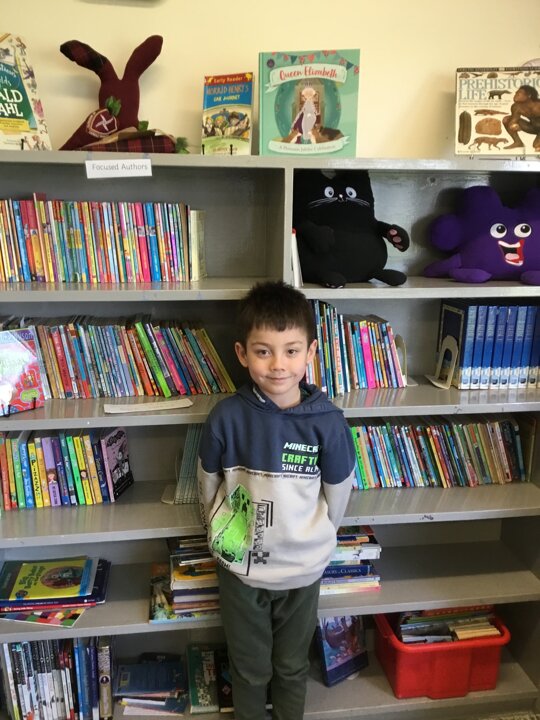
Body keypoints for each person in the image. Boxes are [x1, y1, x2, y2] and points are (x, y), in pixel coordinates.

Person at [197, 280, 356, 720]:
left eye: (291, 350)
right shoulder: (226, 416)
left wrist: (315, 537)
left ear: (311, 353)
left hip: (302, 571)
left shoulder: (328, 422)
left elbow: (338, 496)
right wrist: (219, 533)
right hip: (241, 572)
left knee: (291, 666)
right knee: (249, 670)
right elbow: (208, 483)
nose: (278, 365)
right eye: (263, 351)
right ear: (242, 353)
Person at [502, 84, 540, 150]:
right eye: (516, 93)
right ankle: (518, 142)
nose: (515, 95)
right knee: (507, 119)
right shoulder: (516, 107)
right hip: (533, 127)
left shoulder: (538, 104)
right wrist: (513, 125)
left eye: (519, 93)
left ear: (528, 95)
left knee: (536, 146)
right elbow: (513, 121)